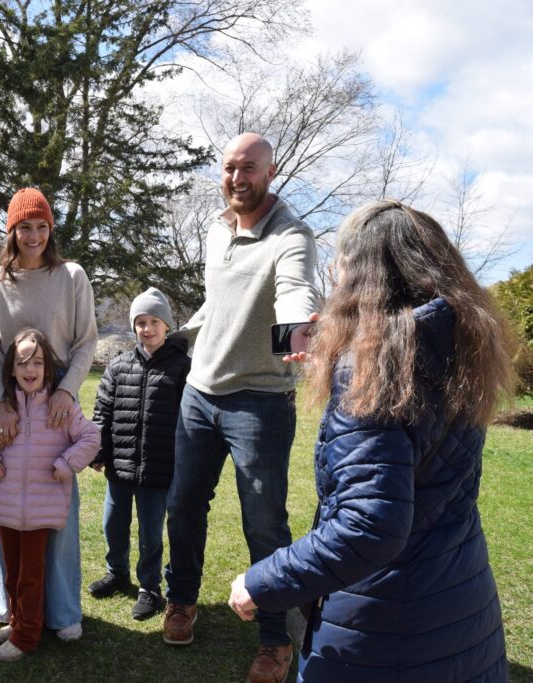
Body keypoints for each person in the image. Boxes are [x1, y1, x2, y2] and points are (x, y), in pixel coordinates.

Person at [228, 200, 513, 682]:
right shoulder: (461, 346)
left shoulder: (373, 367)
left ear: (362, 273)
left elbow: (370, 525)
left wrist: (261, 581)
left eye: (340, 264)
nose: (335, 277)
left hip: (382, 628)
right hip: (459, 605)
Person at [164, 133, 320, 683]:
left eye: (248, 168)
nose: (237, 178)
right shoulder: (215, 228)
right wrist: (183, 336)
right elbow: (219, 300)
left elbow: (296, 290)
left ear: (270, 172)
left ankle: (277, 639)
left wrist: (295, 331)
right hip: (199, 395)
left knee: (264, 524)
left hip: (260, 401)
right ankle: (181, 600)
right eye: (229, 168)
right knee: (183, 507)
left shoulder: (292, 236)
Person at [0, 187, 98, 641]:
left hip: (58, 394)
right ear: (12, 230)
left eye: (42, 226)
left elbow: (86, 341)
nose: (34, 235)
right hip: (10, 393)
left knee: (56, 500)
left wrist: (66, 391)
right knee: (3, 499)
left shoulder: (71, 276)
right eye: (25, 227)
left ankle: (61, 611)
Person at [0, 329, 101, 661]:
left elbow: (90, 437)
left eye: (38, 362)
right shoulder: (2, 407)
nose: (30, 369)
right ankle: (18, 621)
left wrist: (66, 463)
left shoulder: (60, 407)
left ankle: (27, 637)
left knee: (30, 573)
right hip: (7, 505)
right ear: (11, 369)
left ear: (48, 368)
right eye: (22, 362)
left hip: (43, 508)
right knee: (13, 571)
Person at [87, 287, 189, 620]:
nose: (147, 328)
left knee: (150, 531)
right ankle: (116, 572)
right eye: (141, 322)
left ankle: (150, 588)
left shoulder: (182, 368)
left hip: (159, 467)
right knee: (113, 524)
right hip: (119, 464)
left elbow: (191, 417)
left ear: (167, 326)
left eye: (154, 321)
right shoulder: (118, 367)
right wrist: (98, 450)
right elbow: (103, 409)